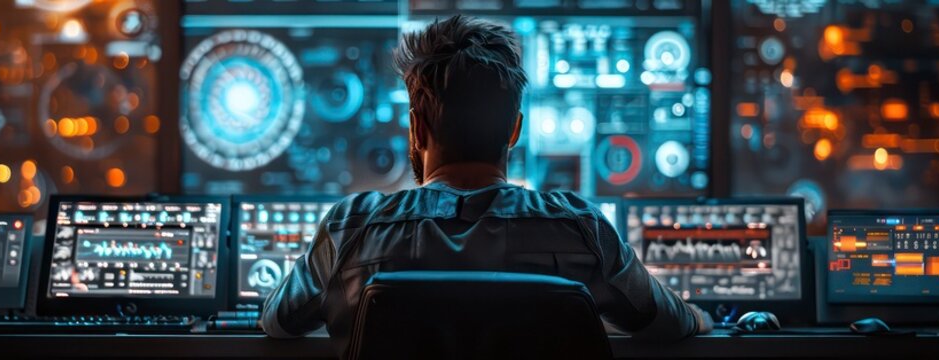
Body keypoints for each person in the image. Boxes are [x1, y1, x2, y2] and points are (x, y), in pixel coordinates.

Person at [261, 14, 712, 345]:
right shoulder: (581, 229)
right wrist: (703, 318)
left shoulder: (351, 230)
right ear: (514, 131)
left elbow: (278, 322)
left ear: (417, 129)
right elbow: (667, 323)